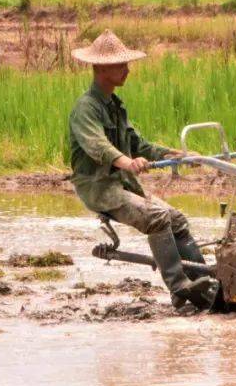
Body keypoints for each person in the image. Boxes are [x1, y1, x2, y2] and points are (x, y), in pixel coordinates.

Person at [67, 30, 218, 310]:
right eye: (120, 64)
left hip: (121, 184)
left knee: (177, 219)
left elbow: (139, 144)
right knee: (157, 217)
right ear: (100, 68)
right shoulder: (85, 108)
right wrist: (127, 162)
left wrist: (177, 154)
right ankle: (179, 287)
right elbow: (97, 146)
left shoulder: (115, 106)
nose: (127, 69)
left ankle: (205, 282)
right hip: (99, 187)